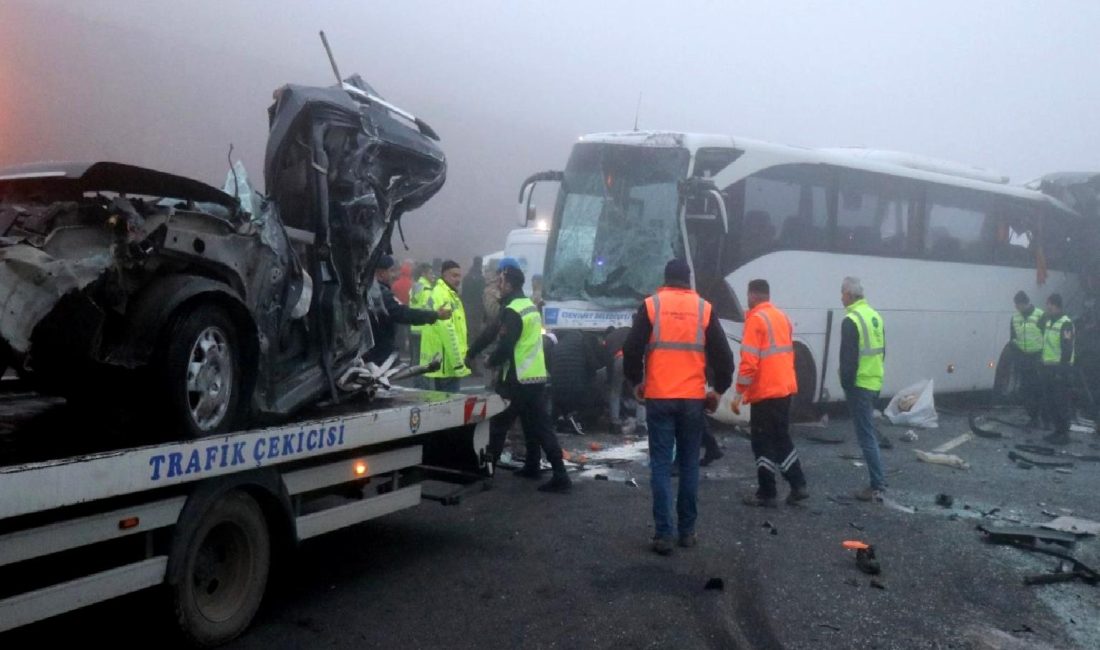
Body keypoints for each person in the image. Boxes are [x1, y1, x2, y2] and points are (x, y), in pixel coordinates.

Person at [623, 259, 734, 555]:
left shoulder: (652, 306)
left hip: (659, 396)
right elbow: (724, 358)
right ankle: (687, 532)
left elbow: (631, 349)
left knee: (661, 465)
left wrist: (636, 381)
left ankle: (663, 534)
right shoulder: (704, 308)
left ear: (666, 279)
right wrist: (718, 390)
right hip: (692, 400)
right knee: (689, 465)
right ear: (688, 280)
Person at [466, 266, 571, 493]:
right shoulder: (528, 306)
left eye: (500, 281)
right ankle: (546, 469)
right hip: (535, 377)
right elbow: (491, 332)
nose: (498, 286)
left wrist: (489, 360)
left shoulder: (513, 311)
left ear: (509, 284)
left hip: (516, 379)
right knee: (536, 425)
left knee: (498, 427)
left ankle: (487, 474)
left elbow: (505, 344)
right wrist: (472, 351)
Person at [732, 279, 809, 508]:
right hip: (784, 388)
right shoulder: (781, 317)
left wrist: (739, 392)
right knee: (781, 436)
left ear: (752, 295)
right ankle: (798, 484)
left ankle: (767, 492)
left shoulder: (756, 320)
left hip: (765, 391)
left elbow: (749, 363)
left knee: (762, 441)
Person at [839, 277, 887, 502]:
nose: (841, 298)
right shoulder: (874, 316)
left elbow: (848, 360)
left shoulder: (851, 320)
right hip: (874, 382)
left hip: (859, 385)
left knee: (866, 436)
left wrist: (846, 385)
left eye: (842, 293)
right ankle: (878, 482)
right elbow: (883, 351)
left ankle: (877, 484)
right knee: (868, 434)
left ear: (849, 295)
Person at [366, 256, 451, 365]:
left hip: (375, 347)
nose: (394, 275)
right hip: (381, 351)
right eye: (391, 271)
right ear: (381, 273)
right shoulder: (380, 294)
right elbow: (402, 312)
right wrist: (435, 315)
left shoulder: (368, 290)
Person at [422, 260, 470, 392]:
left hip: (445, 360)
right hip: (448, 363)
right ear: (444, 275)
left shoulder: (449, 294)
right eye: (454, 275)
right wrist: (458, 364)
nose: (458, 279)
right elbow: (447, 330)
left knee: (442, 400)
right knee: (450, 402)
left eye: (459, 276)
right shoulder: (443, 295)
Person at [1040, 293, 1075, 445]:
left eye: (1049, 305)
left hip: (1059, 370)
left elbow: (1067, 349)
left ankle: (1064, 433)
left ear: (1056, 305)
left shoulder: (1065, 324)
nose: (1047, 308)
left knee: (1061, 402)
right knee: (1051, 402)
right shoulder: (1049, 322)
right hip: (1048, 368)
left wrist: (1061, 371)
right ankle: (1057, 431)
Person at [1009, 290, 1044, 427]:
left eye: (1017, 305)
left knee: (1038, 388)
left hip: (1037, 357)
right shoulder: (1015, 317)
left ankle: (1042, 417)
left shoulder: (1040, 315)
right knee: (1026, 390)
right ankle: (1033, 417)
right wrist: (1016, 356)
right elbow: (1013, 338)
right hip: (1023, 357)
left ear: (1024, 303)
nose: (1016, 307)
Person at [408, 263, 435, 383]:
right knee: (425, 361)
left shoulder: (415, 286)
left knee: (416, 360)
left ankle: (417, 384)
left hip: (415, 327)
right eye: (430, 273)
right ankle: (422, 386)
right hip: (425, 329)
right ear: (424, 274)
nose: (433, 275)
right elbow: (429, 308)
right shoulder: (427, 289)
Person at [462, 256, 486, 344]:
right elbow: (482, 294)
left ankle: (467, 345)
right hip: (478, 307)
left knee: (468, 327)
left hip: (467, 306)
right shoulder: (482, 278)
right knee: (476, 329)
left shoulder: (466, 277)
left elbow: (463, 293)